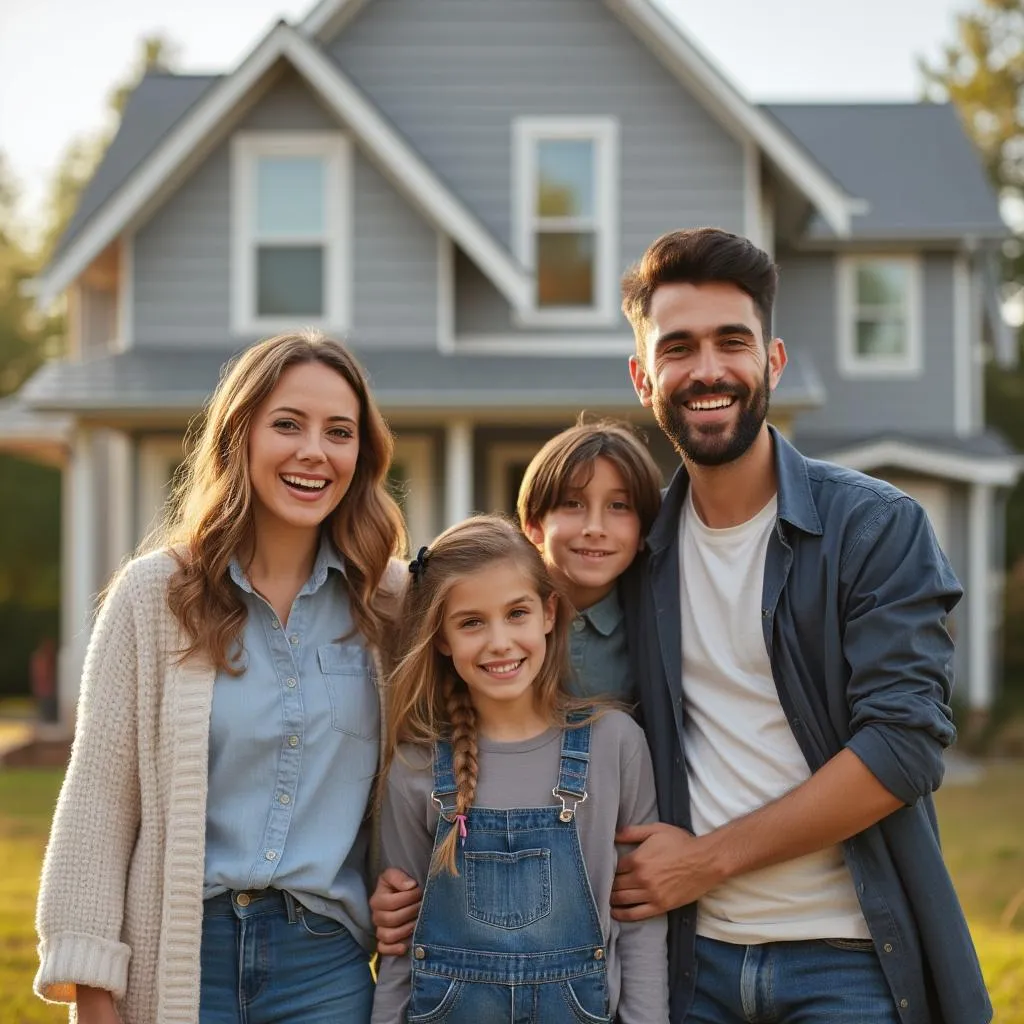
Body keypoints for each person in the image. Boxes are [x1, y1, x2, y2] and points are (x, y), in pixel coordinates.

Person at [613, 227, 991, 1024]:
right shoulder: (633, 551)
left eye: (732, 342)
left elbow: (904, 745)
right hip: (689, 966)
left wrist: (704, 862)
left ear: (772, 362)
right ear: (645, 376)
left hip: (847, 960)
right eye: (678, 347)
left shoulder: (874, 529)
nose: (708, 369)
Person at [34, 331, 407, 1024]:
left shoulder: (391, 605)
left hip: (325, 968)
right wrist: (92, 994)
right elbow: (98, 802)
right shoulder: (153, 596)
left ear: (362, 455)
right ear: (240, 436)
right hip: (179, 958)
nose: (313, 452)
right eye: (287, 425)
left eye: (339, 432)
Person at [370, 515, 669, 1023]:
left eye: (516, 613)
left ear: (548, 614)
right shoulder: (415, 766)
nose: (500, 642)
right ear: (441, 638)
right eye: (471, 622)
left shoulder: (615, 744)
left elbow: (639, 925)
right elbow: (401, 945)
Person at [517, 418, 662, 701]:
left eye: (618, 506)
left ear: (644, 529)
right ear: (534, 523)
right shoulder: (500, 619)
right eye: (573, 504)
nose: (595, 528)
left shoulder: (656, 633)